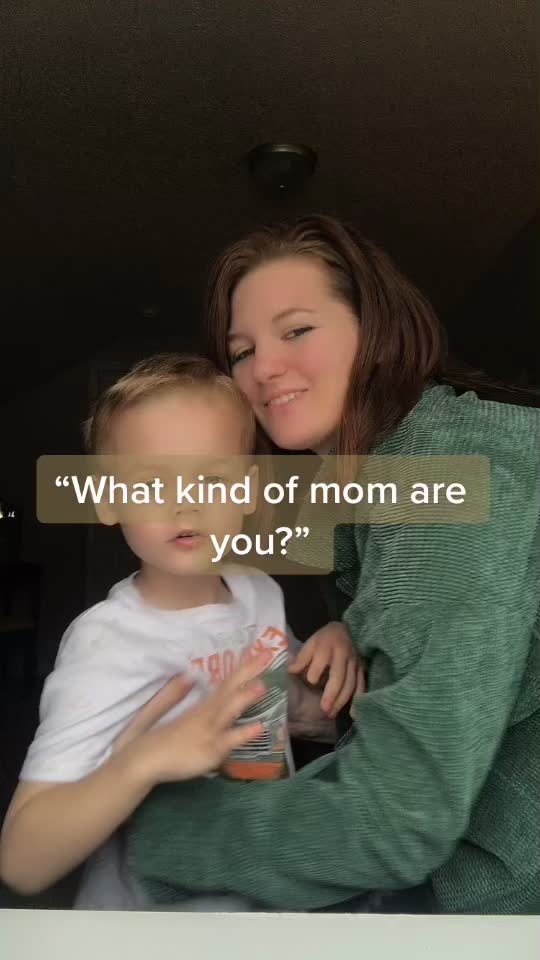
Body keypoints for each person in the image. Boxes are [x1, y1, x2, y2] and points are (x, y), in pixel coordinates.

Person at [123, 214, 540, 915]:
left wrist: (148, 823)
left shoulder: (441, 480)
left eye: (296, 331)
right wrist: (316, 704)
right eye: (242, 351)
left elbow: (398, 825)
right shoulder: (376, 487)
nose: (263, 368)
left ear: (376, 330)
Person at [0, 352, 359, 909]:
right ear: (108, 500)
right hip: (146, 929)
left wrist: (332, 647)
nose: (186, 502)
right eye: (151, 483)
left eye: (211, 479)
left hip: (262, 908)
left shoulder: (258, 593)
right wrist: (142, 763)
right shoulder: (108, 642)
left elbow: (290, 718)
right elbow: (22, 862)